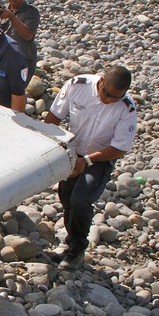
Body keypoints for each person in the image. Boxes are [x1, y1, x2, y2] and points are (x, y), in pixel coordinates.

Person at [44, 65, 138, 270]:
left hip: (100, 158)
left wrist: (86, 161)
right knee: (67, 197)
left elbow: (120, 147)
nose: (109, 100)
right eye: (106, 93)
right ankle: (69, 242)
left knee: (81, 198)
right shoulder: (78, 86)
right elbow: (54, 116)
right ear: (101, 80)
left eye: (116, 98)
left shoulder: (126, 109)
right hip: (72, 149)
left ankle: (77, 249)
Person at [0, 0, 40, 75]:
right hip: (3, 60)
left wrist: (11, 16)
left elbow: (28, 35)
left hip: (24, 62)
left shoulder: (31, 12)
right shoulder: (3, 9)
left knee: (17, 90)